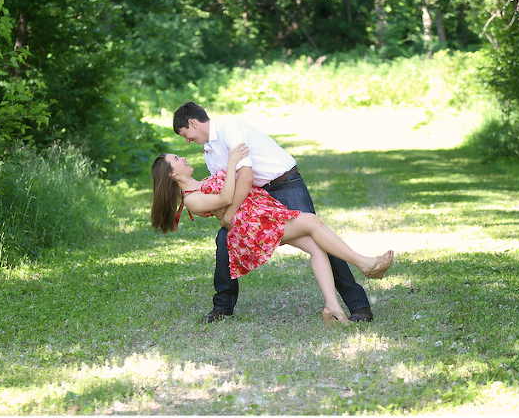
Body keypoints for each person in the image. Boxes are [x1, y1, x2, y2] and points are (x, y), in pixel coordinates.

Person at [172, 101, 375, 324]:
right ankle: (222, 307)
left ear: (192, 123)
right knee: (224, 240)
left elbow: (245, 178)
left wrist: (229, 214)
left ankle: (359, 306)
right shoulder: (209, 153)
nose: (187, 141)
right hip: (256, 198)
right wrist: (227, 216)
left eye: (185, 134)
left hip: (284, 184)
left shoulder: (228, 128)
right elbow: (229, 188)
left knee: (320, 239)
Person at [150, 144, 394, 326]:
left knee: (316, 246)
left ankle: (332, 307)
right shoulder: (192, 199)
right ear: (172, 174)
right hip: (253, 229)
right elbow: (225, 198)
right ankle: (365, 263)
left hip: (262, 218)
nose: (182, 157)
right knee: (311, 221)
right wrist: (233, 162)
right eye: (176, 159)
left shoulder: (202, 183)